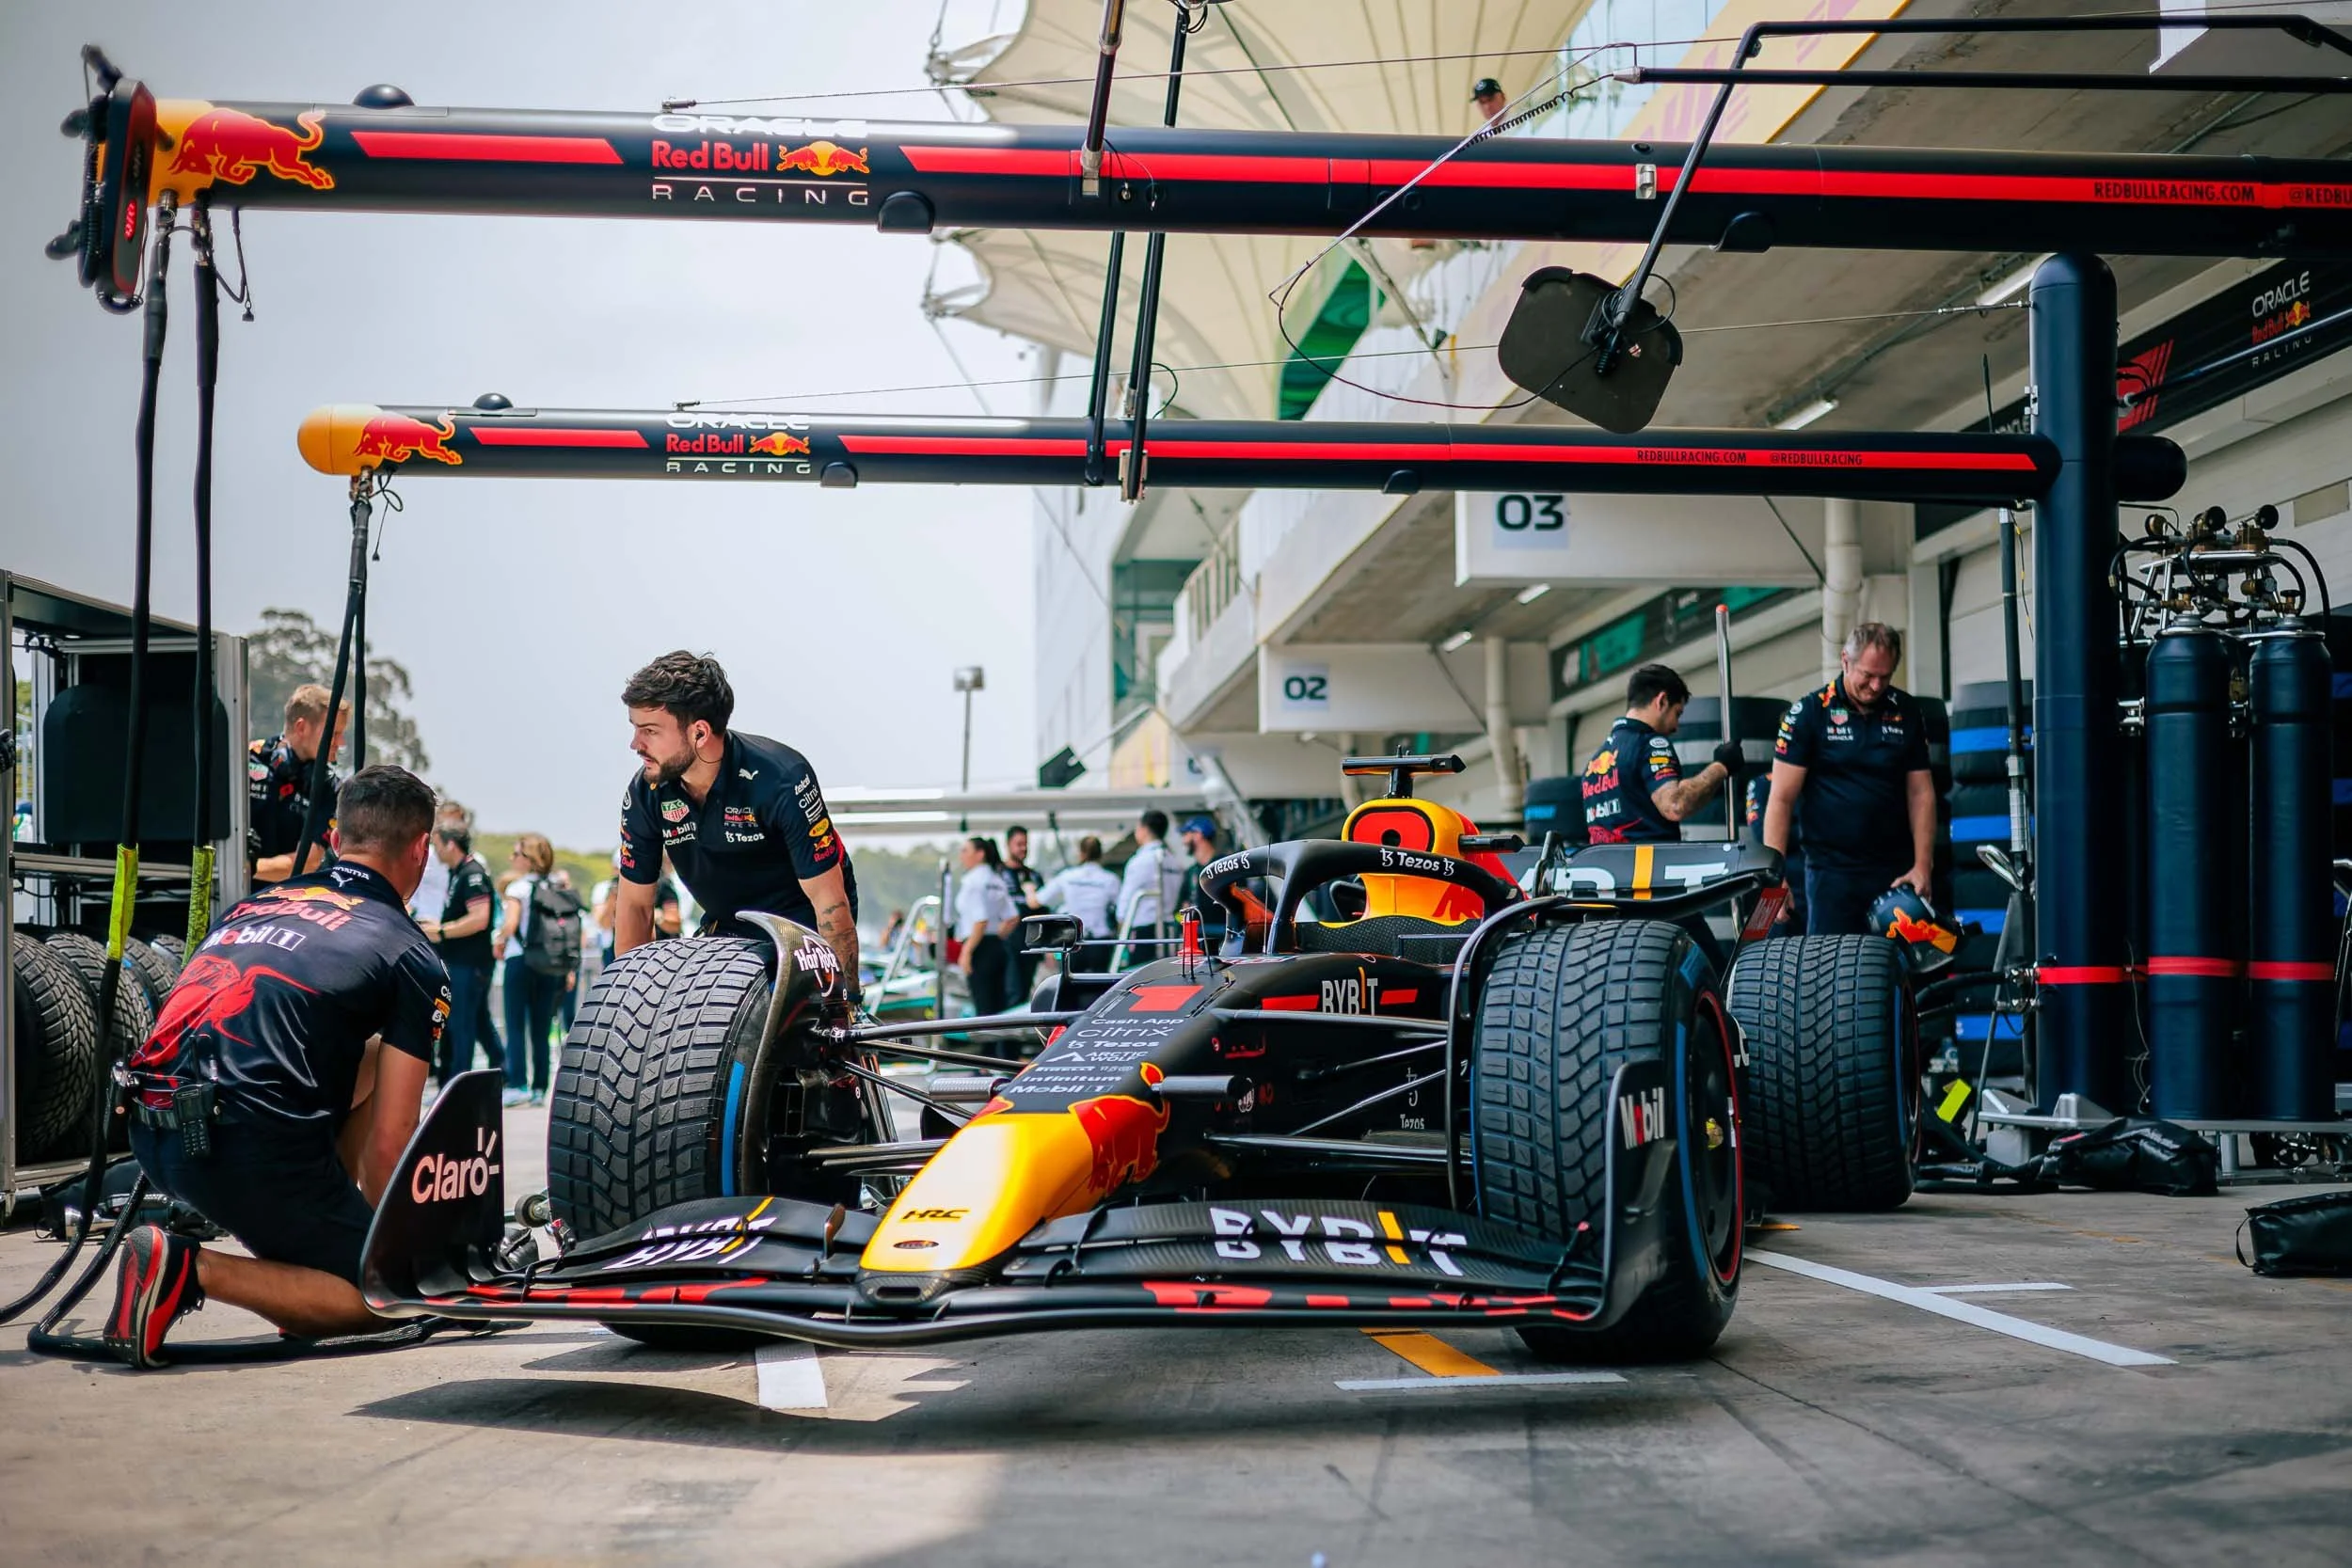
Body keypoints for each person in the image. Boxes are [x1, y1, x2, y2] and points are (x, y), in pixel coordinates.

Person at [107, 765, 449, 1367]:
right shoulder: (409, 952)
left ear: (335, 837)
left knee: (367, 1056)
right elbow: (390, 1146)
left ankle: (315, 1241)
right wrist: (410, 1257)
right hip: (245, 1148)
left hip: (150, 1129)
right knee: (395, 1296)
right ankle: (187, 1268)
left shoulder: (253, 904)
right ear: (421, 850)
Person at [613, 652, 861, 983]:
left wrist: (845, 1001)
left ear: (699, 733)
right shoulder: (646, 792)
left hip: (801, 926)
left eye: (650, 731)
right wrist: (630, 996)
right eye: (635, 728)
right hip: (726, 926)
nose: (635, 744)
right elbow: (635, 906)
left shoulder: (783, 777)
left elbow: (831, 905)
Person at [1763, 623, 1939, 937]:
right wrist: (1774, 878)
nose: (1876, 685)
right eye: (1867, 675)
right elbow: (1780, 799)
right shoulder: (1809, 713)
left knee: (1893, 964)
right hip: (1831, 874)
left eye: (1885, 676)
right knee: (1830, 963)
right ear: (1845, 661)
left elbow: (1921, 793)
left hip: (1895, 872)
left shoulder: (1907, 711)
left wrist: (1923, 865)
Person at [1581, 664, 1742, 845]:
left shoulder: (1592, 765)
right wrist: (1721, 766)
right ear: (1662, 701)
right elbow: (1675, 805)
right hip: (1651, 861)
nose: (1676, 727)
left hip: (1604, 861)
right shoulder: (1650, 744)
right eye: (1677, 713)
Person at [416, 822, 495, 1088]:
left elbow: (480, 918)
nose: (435, 852)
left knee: (462, 1027)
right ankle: (455, 1082)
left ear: (451, 845)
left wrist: (442, 931)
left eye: (437, 845)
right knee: (464, 1025)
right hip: (459, 962)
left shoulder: (472, 874)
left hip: (469, 963)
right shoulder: (458, 873)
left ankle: (460, 1087)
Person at [247, 685, 351, 882]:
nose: (341, 743)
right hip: (231, 893)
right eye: (333, 733)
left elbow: (309, 862)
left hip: (289, 897)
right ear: (301, 727)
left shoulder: (330, 787)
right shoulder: (246, 761)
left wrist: (247, 867)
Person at [494, 833, 567, 1107]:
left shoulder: (518, 888)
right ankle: (540, 1087)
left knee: (515, 1025)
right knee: (541, 1027)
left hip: (520, 960)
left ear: (529, 859)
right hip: (549, 964)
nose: (512, 859)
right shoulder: (556, 885)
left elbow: (511, 924)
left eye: (516, 854)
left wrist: (500, 938)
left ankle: (518, 1084)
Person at [956, 835, 1020, 1016]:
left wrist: (967, 951)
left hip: (978, 947)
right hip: (997, 946)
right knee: (999, 1007)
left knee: (983, 1007)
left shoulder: (972, 881)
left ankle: (986, 1037)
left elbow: (980, 920)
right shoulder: (997, 880)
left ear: (980, 854)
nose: (962, 856)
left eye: (965, 851)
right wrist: (998, 934)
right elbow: (1013, 917)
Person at [1116, 810, 1184, 959]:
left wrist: (1122, 928)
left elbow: (1126, 901)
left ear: (1144, 829)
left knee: (1140, 972)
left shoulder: (1140, 860)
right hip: (1169, 930)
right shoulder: (1173, 861)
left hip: (1144, 932)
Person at [1031, 835, 1121, 942]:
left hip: (1074, 939)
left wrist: (1029, 889)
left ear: (1081, 854)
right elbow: (1122, 912)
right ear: (1100, 854)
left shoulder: (1067, 876)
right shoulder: (1110, 879)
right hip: (1101, 940)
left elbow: (1035, 902)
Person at [1000, 825, 1046, 999]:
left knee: (1025, 992)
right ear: (1008, 845)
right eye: (1019, 844)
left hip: (1030, 944)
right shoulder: (998, 874)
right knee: (1013, 991)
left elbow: (1043, 910)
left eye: (1025, 844)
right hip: (1006, 944)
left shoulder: (1034, 876)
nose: (1023, 848)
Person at [1176, 815, 1227, 946]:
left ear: (1198, 834)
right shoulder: (1191, 872)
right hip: (1197, 943)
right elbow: (1180, 908)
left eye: (1185, 834)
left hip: (1224, 942)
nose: (1183, 841)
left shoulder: (1226, 867)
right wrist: (1182, 921)